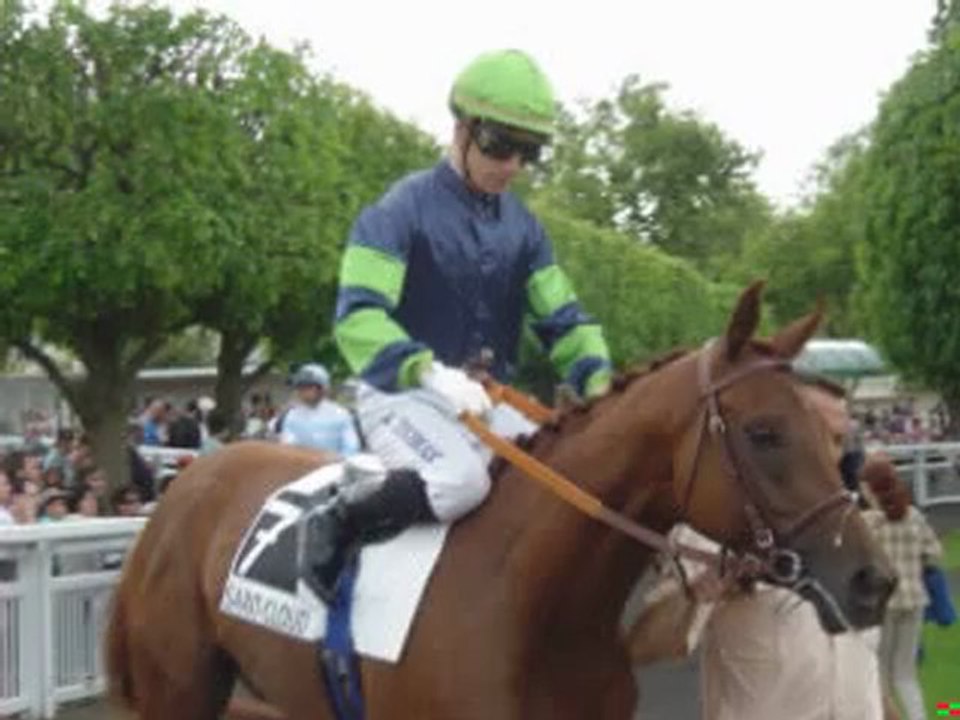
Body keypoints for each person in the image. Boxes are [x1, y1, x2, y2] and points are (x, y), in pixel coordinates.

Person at [310, 49, 612, 601]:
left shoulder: (526, 229)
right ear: (463, 129)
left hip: (486, 399)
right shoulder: (398, 209)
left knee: (562, 476)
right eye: (501, 145)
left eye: (531, 151)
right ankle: (341, 517)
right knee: (462, 482)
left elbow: (566, 323)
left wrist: (602, 386)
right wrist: (426, 372)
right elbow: (358, 317)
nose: (513, 165)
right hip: (400, 392)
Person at [628, 374, 899, 720]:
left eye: (837, 439)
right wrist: (697, 592)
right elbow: (643, 647)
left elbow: (863, 664)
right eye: (816, 434)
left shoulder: (857, 534)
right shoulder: (715, 532)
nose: (830, 453)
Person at [861, 456, 942, 720]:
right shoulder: (914, 517)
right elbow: (934, 553)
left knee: (881, 674)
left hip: (883, 604)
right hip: (915, 599)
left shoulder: (870, 522)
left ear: (870, 488)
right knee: (906, 674)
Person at [276, 364, 361, 456]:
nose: (301, 390)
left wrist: (337, 461)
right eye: (299, 386)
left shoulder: (341, 414)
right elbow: (287, 447)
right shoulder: (291, 416)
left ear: (322, 388)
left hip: (334, 467)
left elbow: (351, 448)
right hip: (302, 467)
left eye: (307, 386)